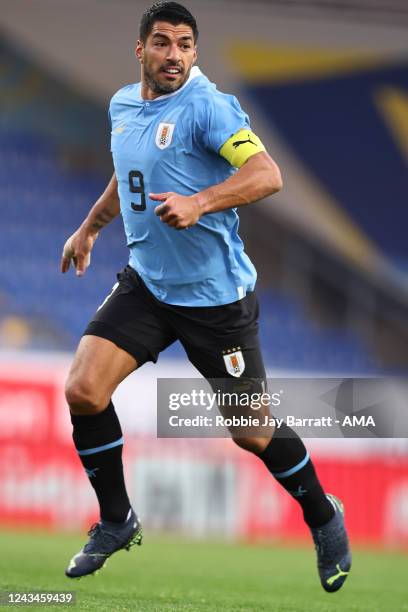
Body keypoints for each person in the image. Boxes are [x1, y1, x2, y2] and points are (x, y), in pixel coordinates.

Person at [61, 1, 351, 592]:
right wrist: (91, 226)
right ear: (140, 49)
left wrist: (200, 201)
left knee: (250, 431)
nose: (175, 55)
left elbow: (268, 174)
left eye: (186, 45)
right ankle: (116, 520)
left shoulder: (208, 107)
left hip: (216, 300)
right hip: (147, 284)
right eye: (163, 43)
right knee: (83, 390)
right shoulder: (123, 104)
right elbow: (128, 168)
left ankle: (324, 516)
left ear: (196, 52)